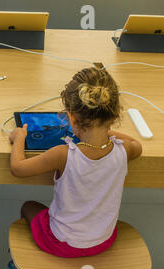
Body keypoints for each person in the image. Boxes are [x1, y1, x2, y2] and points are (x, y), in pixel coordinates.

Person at [9, 67, 142, 258]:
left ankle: (32, 262)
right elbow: (137, 145)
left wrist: (20, 137)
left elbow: (17, 168)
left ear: (71, 117)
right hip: (103, 240)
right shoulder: (124, 150)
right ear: (114, 115)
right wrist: (105, 132)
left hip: (63, 243)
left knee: (28, 206)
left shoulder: (63, 155)